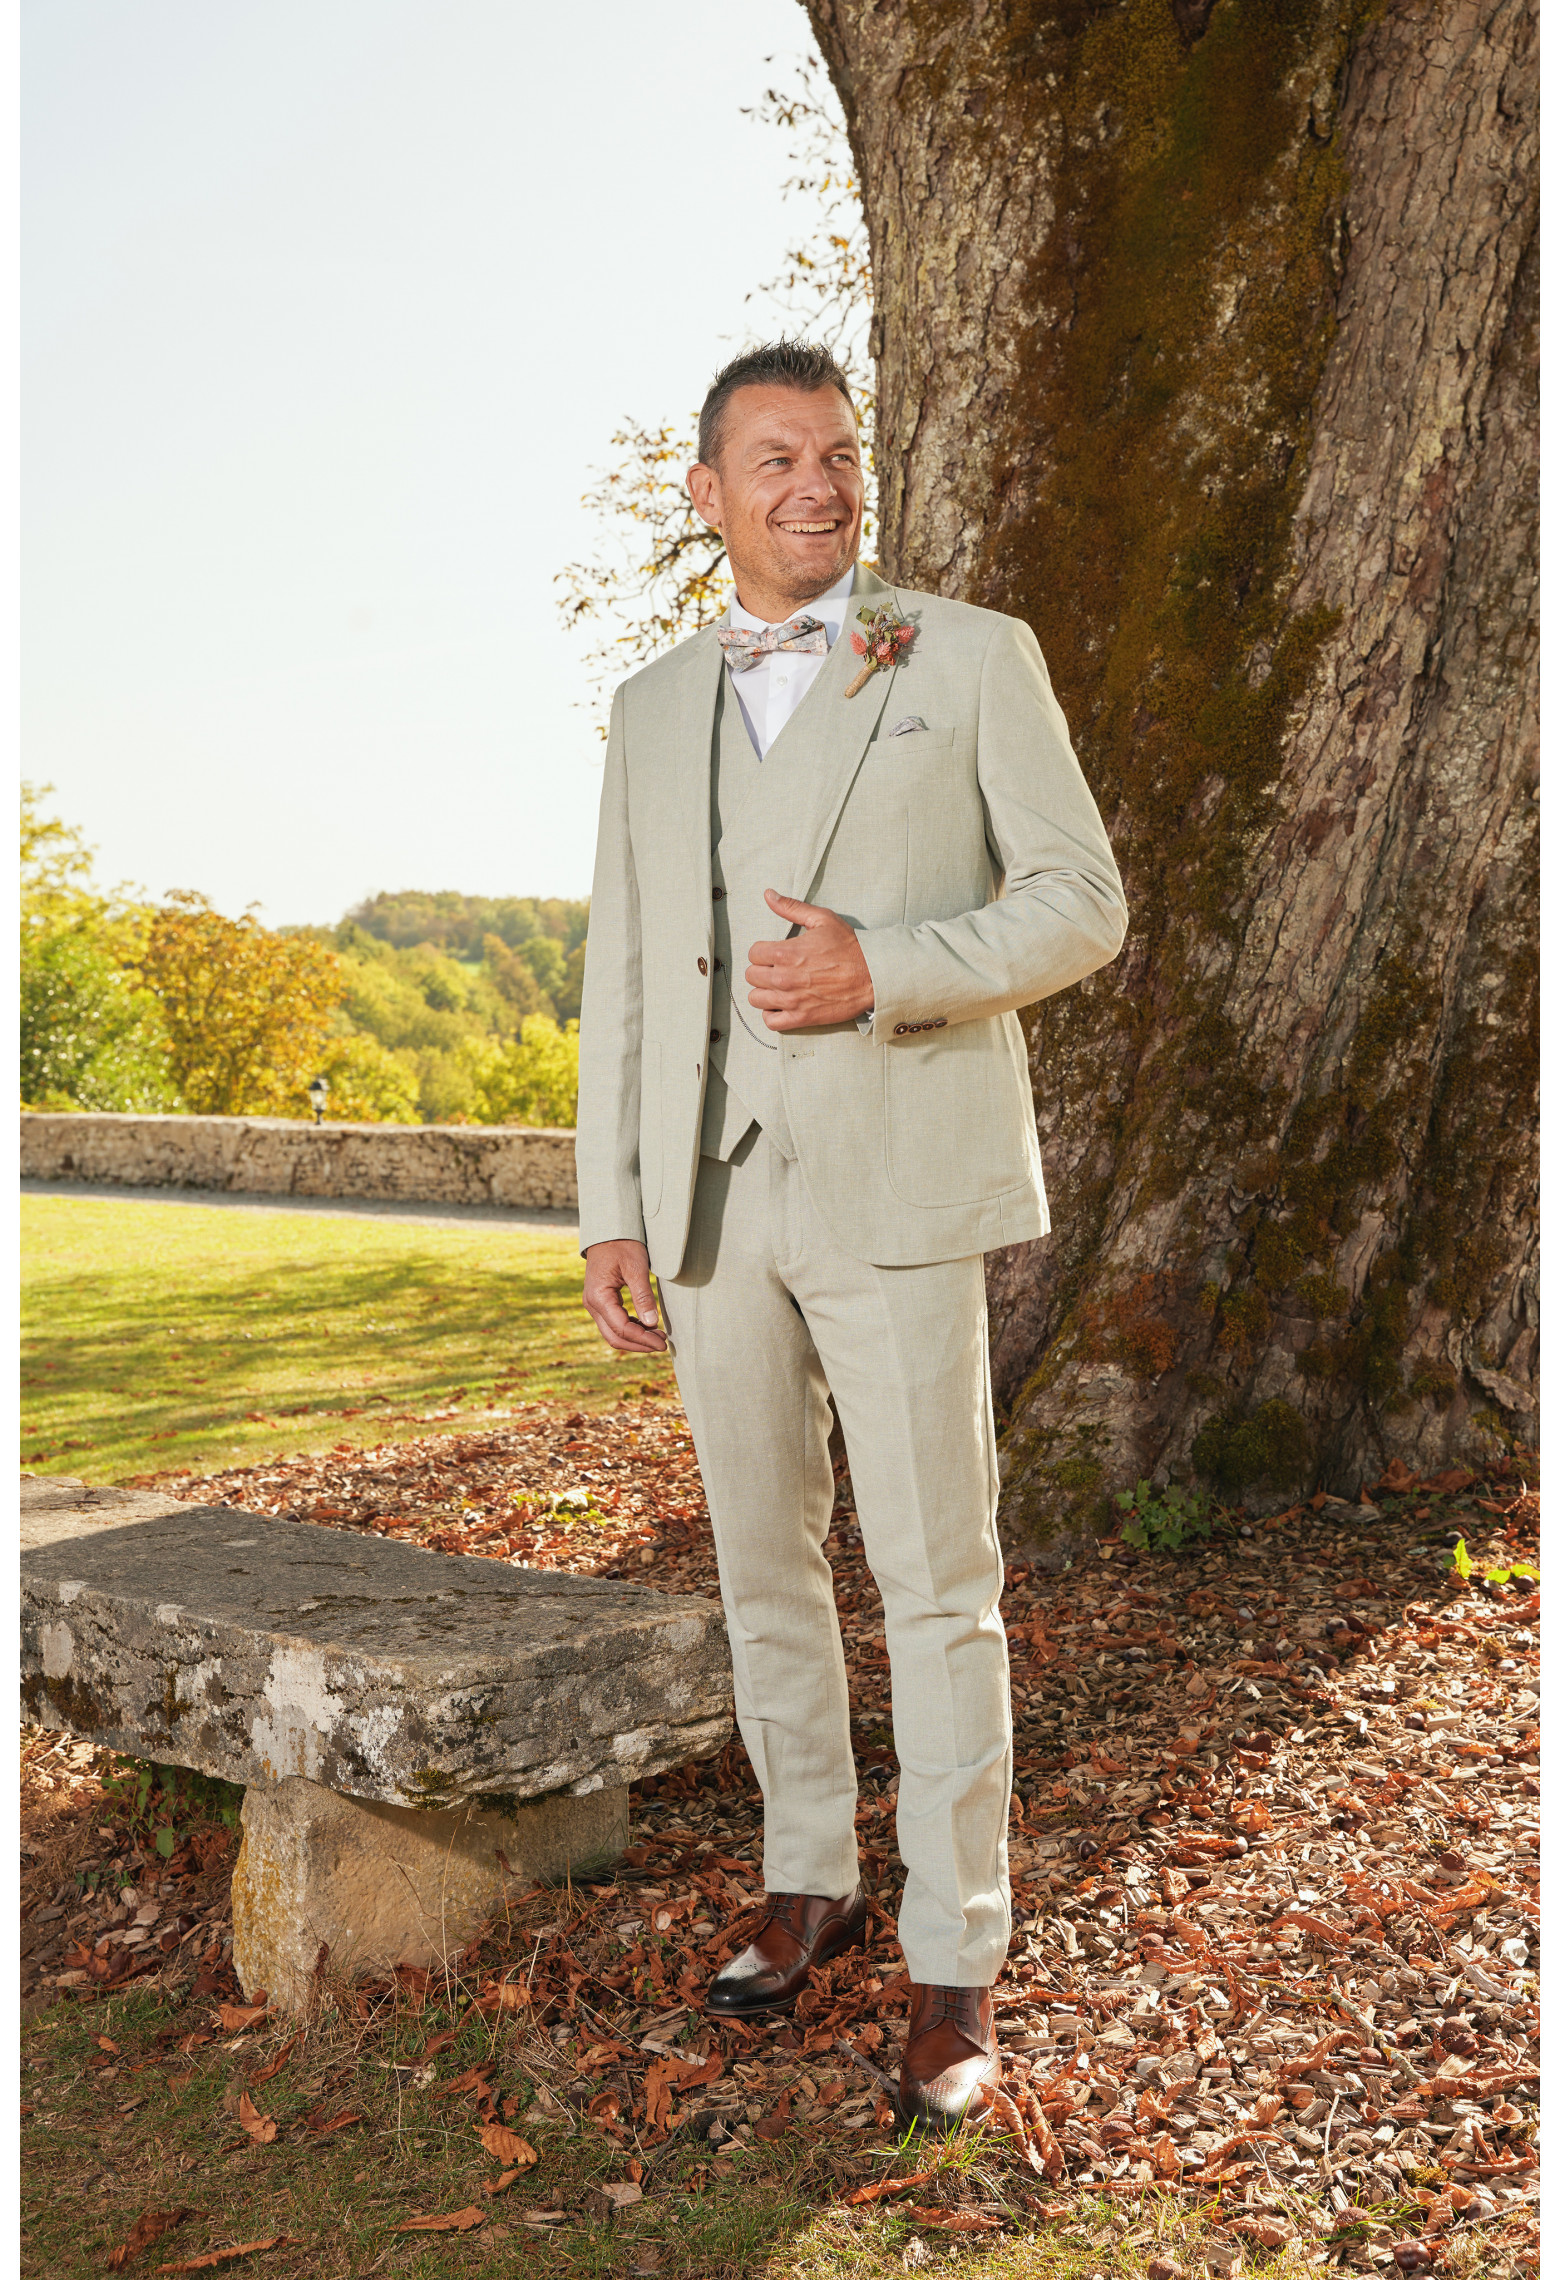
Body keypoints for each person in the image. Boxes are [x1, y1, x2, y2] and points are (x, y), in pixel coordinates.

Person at [576, 338, 1127, 2131]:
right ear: (709, 490)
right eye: (776, 457)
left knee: (938, 1578)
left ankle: (955, 1959)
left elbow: (1082, 904)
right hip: (714, 1199)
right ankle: (805, 1875)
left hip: (900, 1179)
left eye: (836, 453)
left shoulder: (965, 654)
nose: (815, 483)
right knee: (762, 1564)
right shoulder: (652, 705)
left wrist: (887, 966)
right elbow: (628, 969)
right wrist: (612, 1205)